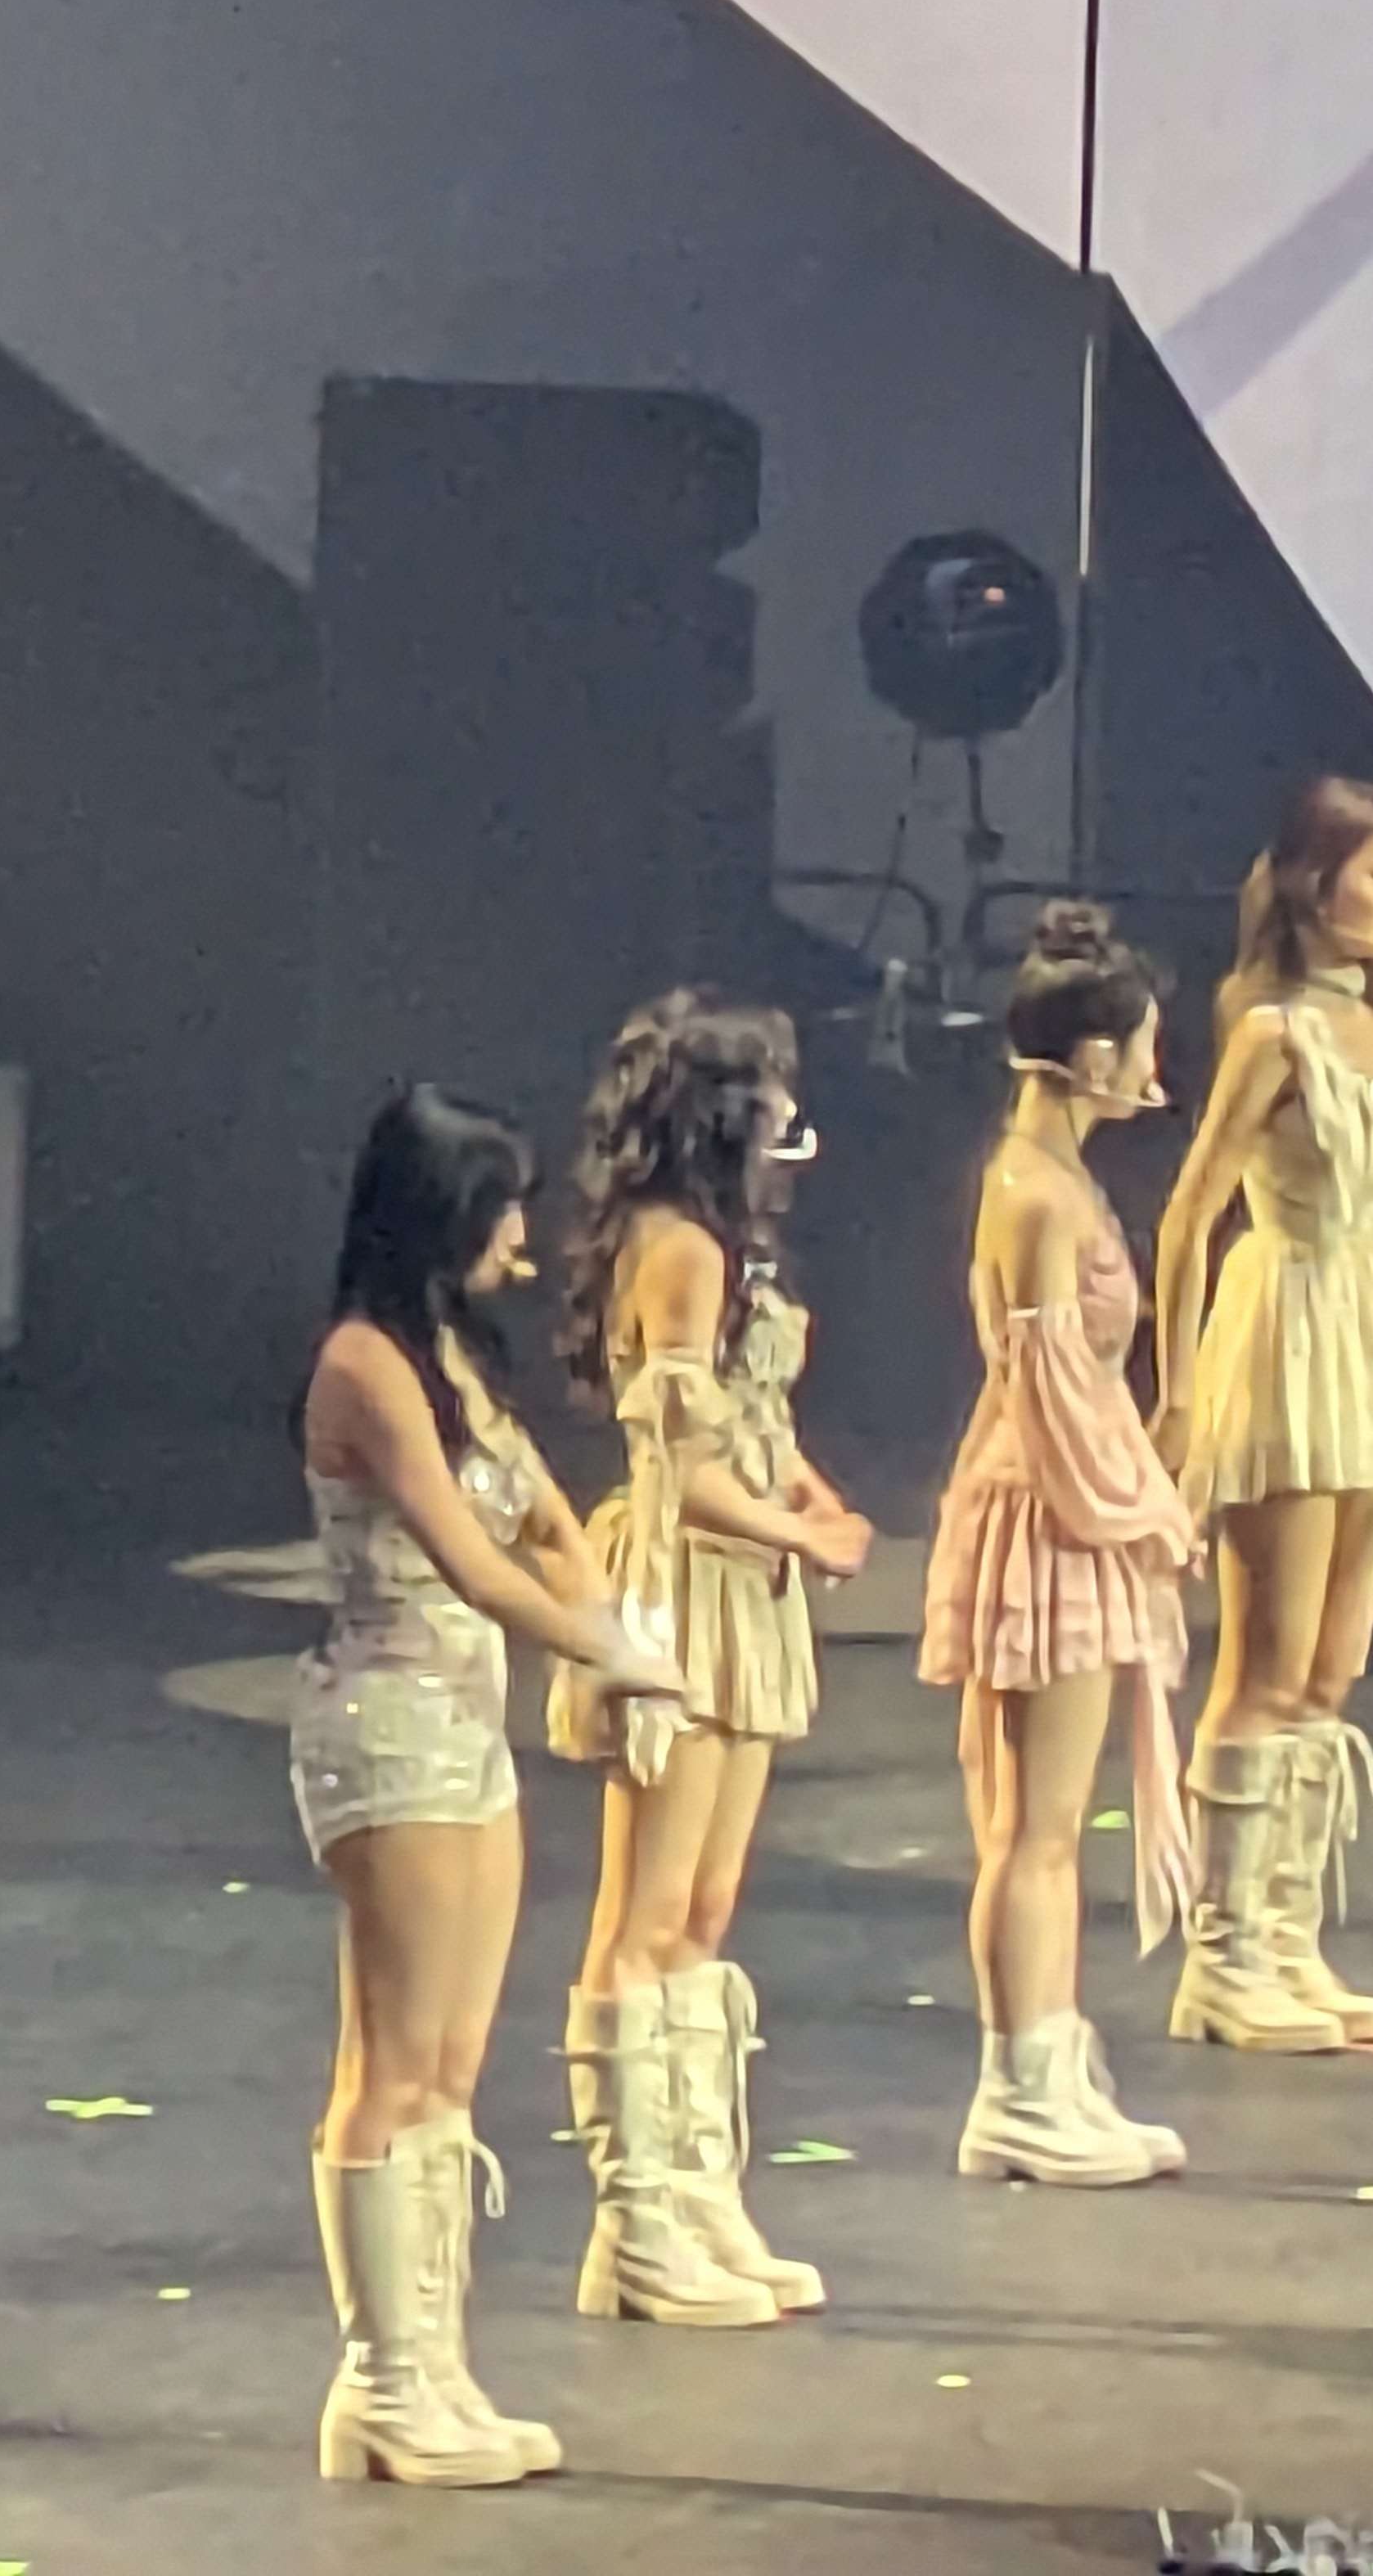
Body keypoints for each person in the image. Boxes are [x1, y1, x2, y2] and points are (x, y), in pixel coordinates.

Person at [288, 1084, 682, 2487]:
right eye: (502, 1207)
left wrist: (618, 1630)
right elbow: (467, 1558)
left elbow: (544, 1524)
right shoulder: (364, 1366)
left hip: (464, 1725)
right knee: (390, 2062)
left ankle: (437, 2365)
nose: (524, 1232)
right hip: (388, 1723)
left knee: (452, 2067)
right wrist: (606, 1655)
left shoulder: (451, 1354)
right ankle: (381, 2384)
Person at [550, 990, 872, 2325]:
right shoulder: (676, 1249)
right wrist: (802, 1532)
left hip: (746, 1590)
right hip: (683, 1591)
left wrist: (810, 1499)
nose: (793, 1115)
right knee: (645, 1911)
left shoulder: (726, 1248)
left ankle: (698, 2188)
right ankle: (634, 2221)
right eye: (774, 1092)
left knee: (704, 1907)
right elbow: (679, 1469)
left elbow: (750, 1424)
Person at [1150, 777, 1373, 2055]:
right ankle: (1223, 1956)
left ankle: (1289, 1934)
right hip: (1293, 1328)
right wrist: (1173, 1393)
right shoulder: (1272, 1035)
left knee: (1331, 1667)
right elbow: (1188, 1214)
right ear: (1317, 886)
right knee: (1264, 1666)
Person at [921, 902, 1201, 2184]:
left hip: (1063, 1502)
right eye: (1143, 1046)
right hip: (1050, 1512)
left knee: (1045, 1824)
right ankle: (1021, 2090)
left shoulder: (1053, 1176)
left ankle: (1049, 2061)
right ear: (1095, 1059)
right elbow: (1047, 1395)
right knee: (1033, 1828)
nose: (1154, 1069)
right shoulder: (1034, 1192)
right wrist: (1139, 1510)